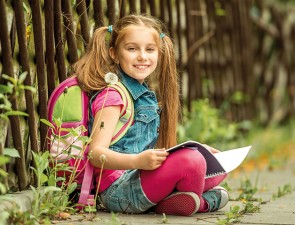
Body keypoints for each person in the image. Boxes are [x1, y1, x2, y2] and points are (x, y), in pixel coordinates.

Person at [73, 14, 229, 216]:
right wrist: (137, 161)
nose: (142, 56)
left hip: (141, 178)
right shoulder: (113, 96)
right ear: (114, 53)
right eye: (132, 49)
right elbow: (95, 154)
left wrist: (199, 149)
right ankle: (198, 203)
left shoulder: (144, 95)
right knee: (194, 164)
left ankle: (178, 201)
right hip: (118, 190)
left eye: (149, 49)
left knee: (217, 163)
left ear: (159, 52)